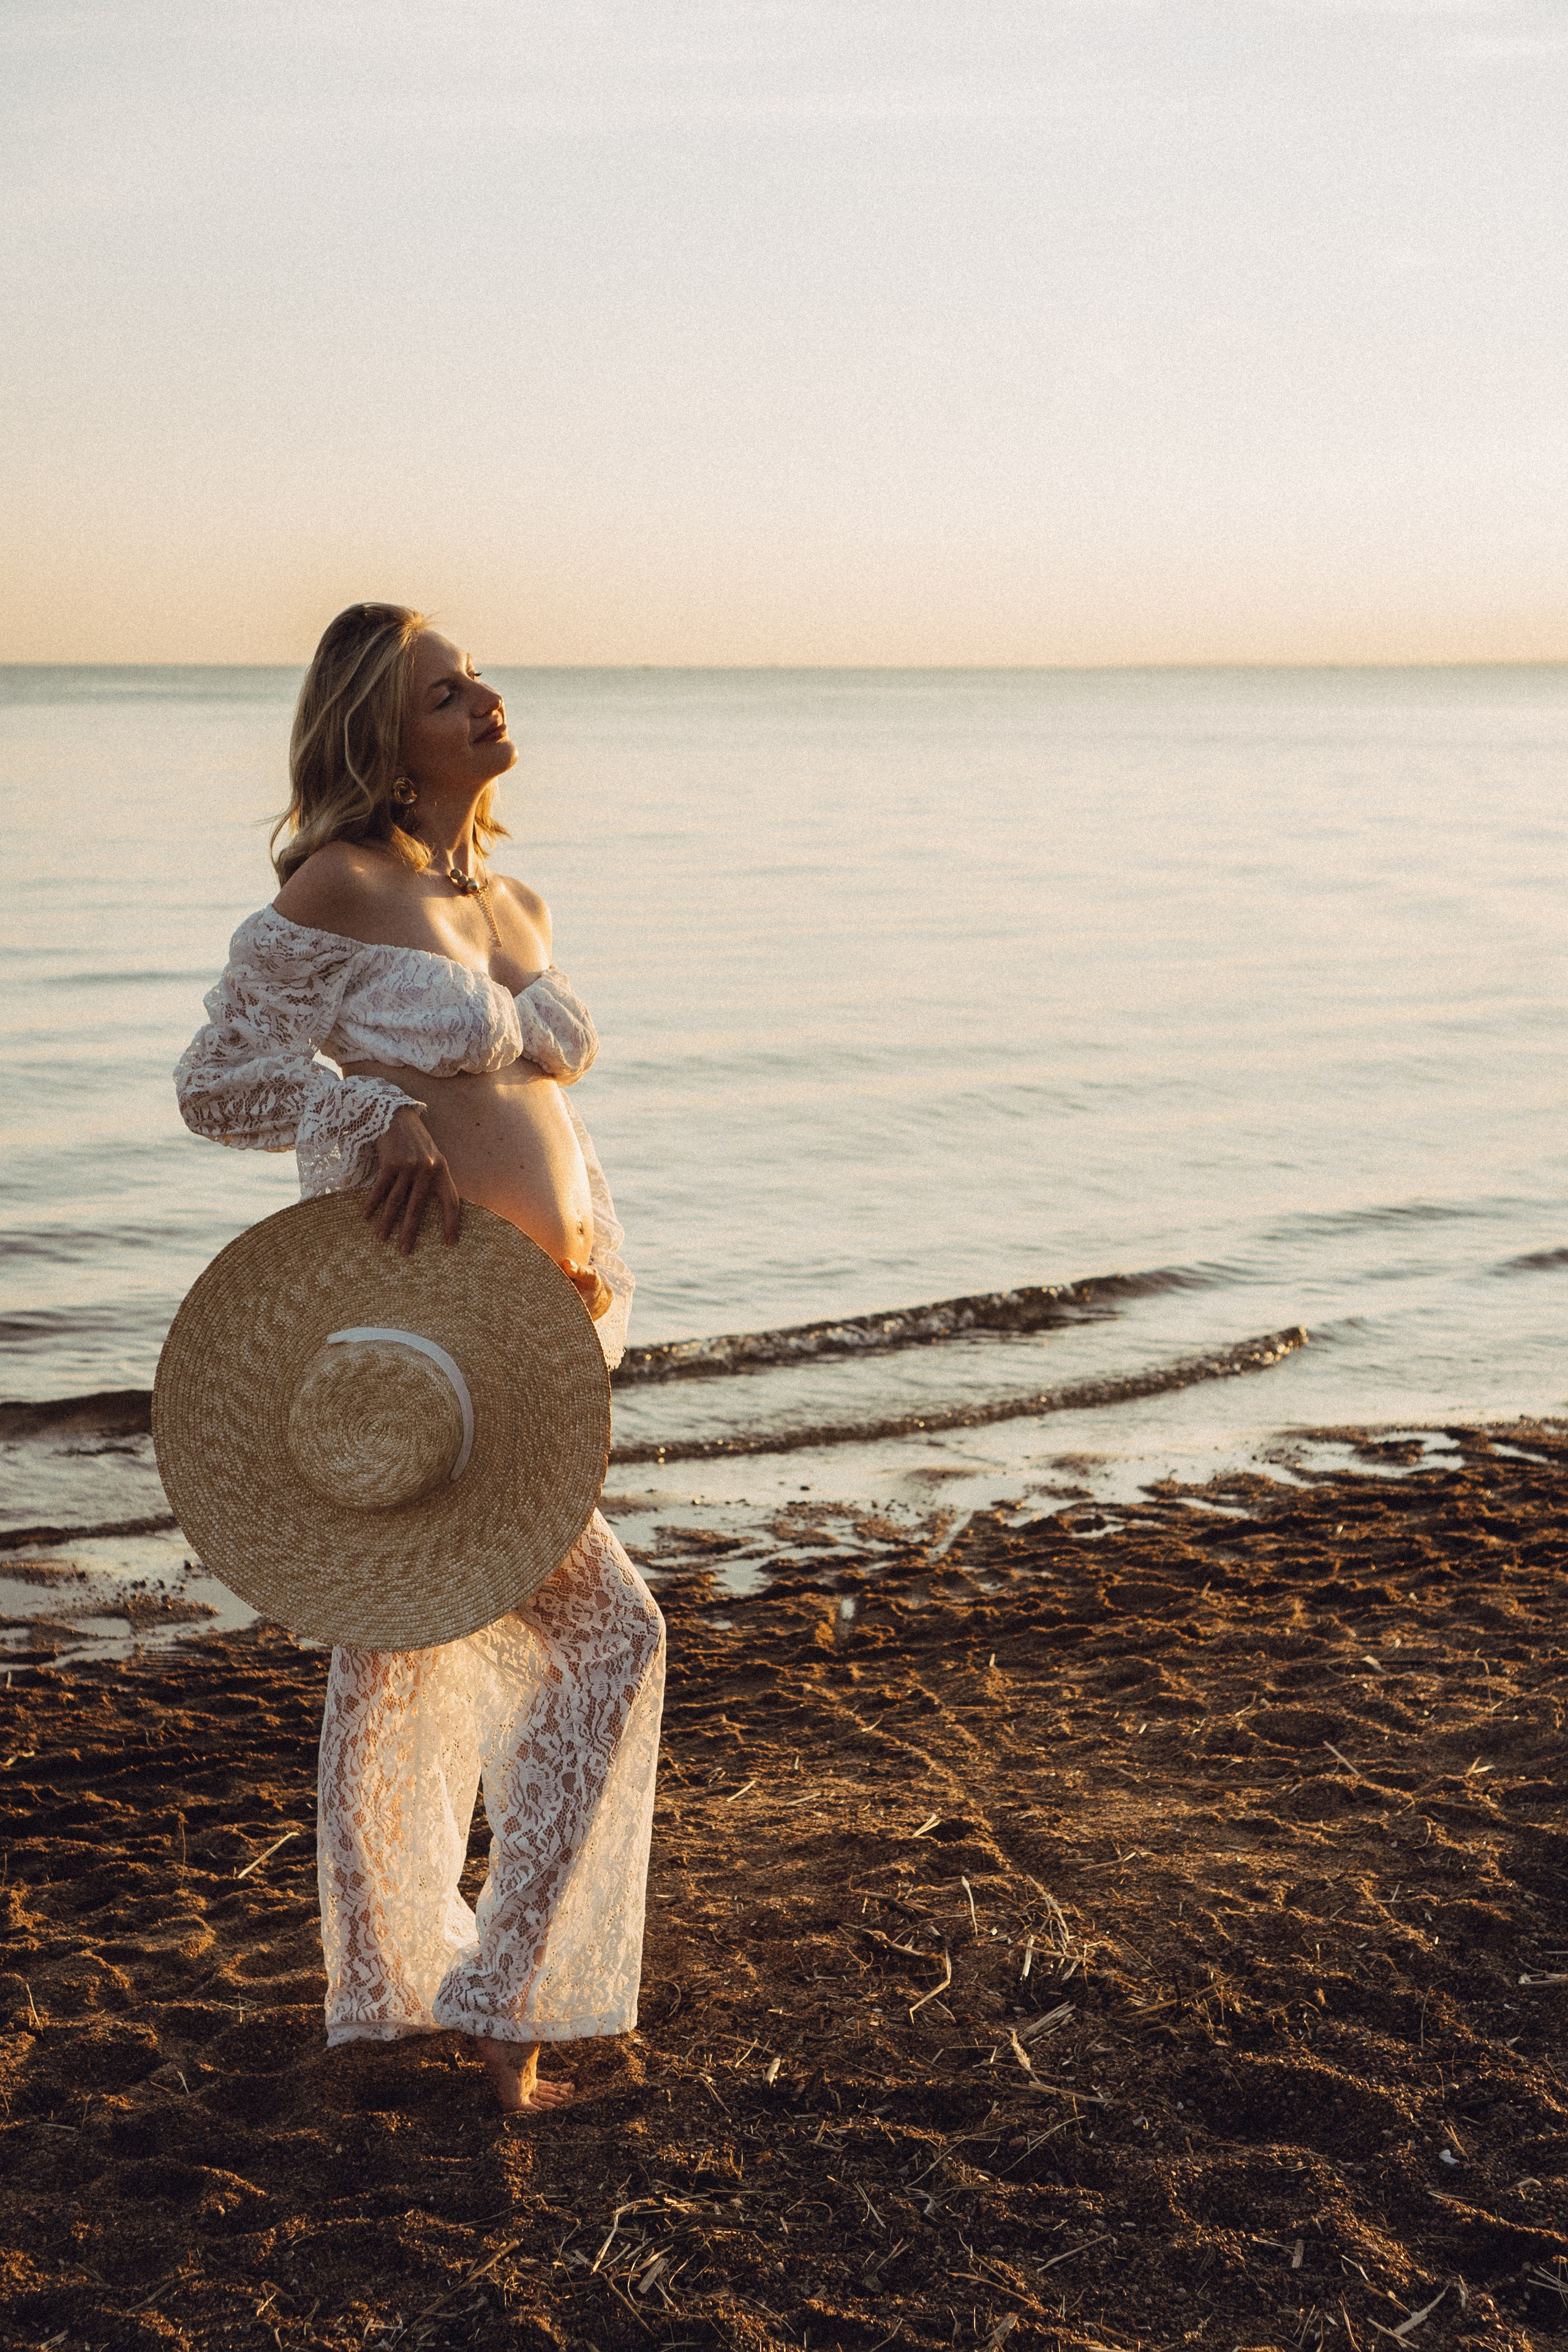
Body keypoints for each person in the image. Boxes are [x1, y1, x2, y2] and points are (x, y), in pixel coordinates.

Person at [173, 601, 665, 2113]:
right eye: (447, 694)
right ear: (384, 737)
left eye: (477, 680)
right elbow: (216, 1085)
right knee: (611, 1636)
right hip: (414, 1333)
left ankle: (392, 2002)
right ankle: (501, 2013)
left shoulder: (512, 903)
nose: (483, 701)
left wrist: (577, 1243)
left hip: (529, 1324)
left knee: (396, 1652)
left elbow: (532, 1107)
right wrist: (359, 1114)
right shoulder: (340, 882)